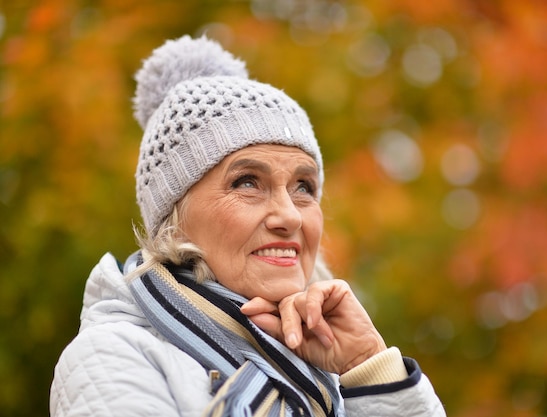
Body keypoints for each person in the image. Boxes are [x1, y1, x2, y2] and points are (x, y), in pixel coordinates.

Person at [50, 35, 446, 417]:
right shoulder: (113, 356)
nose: (290, 216)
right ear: (175, 217)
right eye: (247, 182)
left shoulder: (325, 373)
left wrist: (370, 369)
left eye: (304, 187)